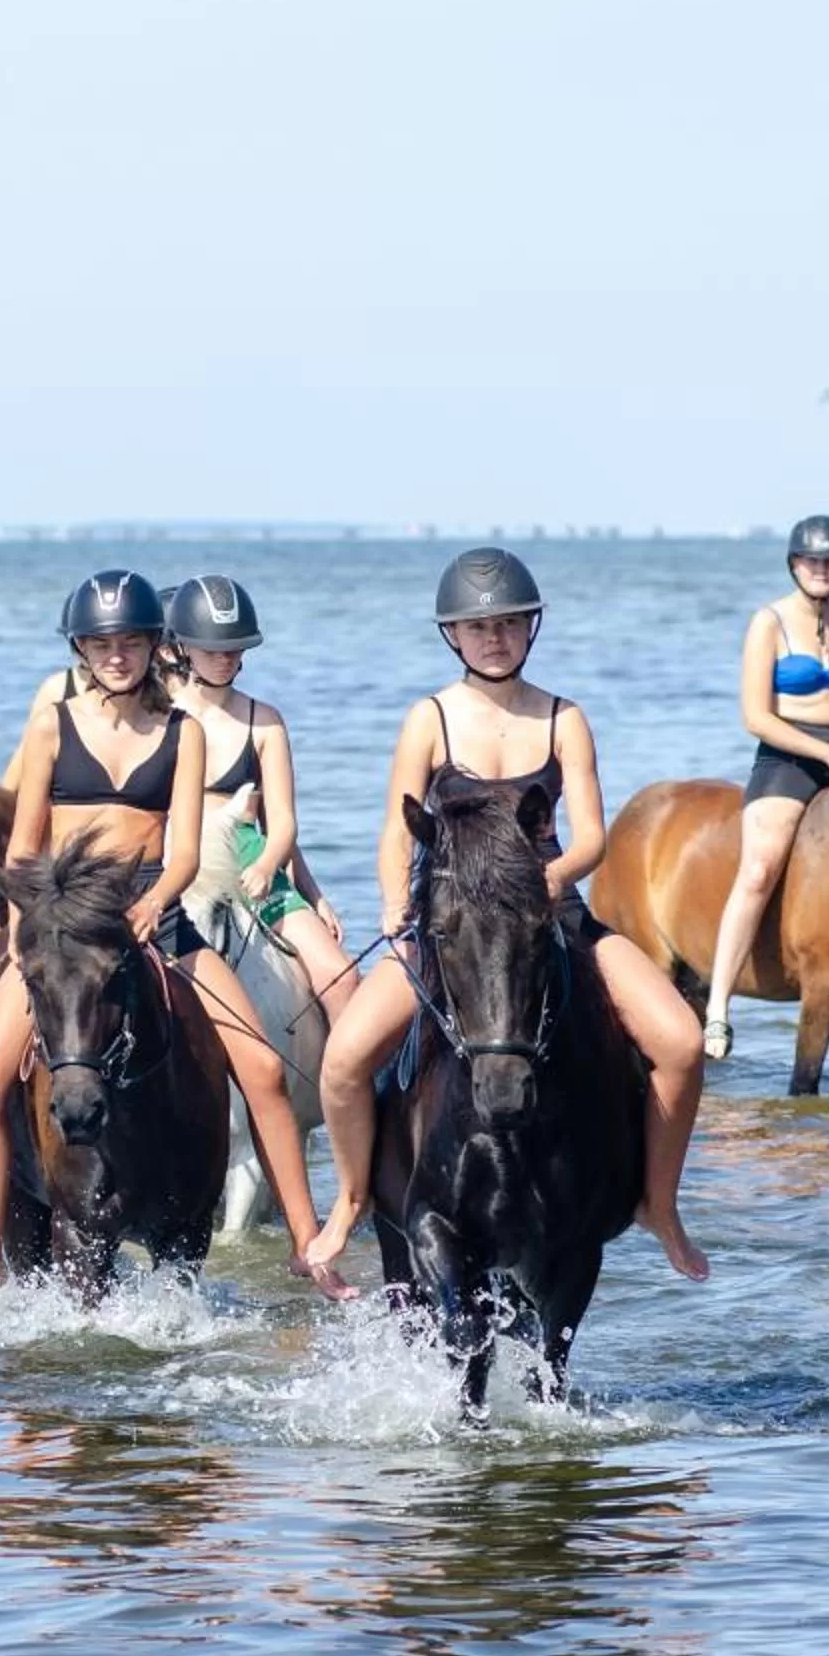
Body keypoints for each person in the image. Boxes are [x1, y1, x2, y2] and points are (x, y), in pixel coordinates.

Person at [0, 569, 349, 1318]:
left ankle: (306, 1244)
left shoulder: (182, 732)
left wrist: (153, 904)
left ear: (155, 646)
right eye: (102, 644)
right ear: (82, 649)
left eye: (130, 641)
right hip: (65, 922)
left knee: (262, 1068)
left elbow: (185, 850)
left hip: (154, 915)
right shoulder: (52, 724)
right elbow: (24, 846)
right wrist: (32, 929)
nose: (117, 655)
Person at [305, 548, 709, 1283]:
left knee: (681, 1041)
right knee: (343, 1061)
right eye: (478, 627)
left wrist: (543, 881)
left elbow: (591, 836)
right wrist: (395, 903)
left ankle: (660, 1204)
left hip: (550, 913)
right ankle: (352, 1198)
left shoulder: (564, 718)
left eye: (509, 624)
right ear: (453, 636)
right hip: (453, 924)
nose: (495, 638)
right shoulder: (429, 719)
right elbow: (397, 828)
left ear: (530, 629)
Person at [700, 514, 829, 1061]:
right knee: (759, 869)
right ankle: (718, 1006)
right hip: (787, 757)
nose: (822, 568)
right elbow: (756, 717)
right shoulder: (768, 622)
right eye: (812, 560)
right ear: (795, 564)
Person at [159, 572, 362, 1032]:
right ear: (182, 648)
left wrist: (273, 869)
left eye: (234, 649)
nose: (225, 659)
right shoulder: (158, 717)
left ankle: (346, 1077)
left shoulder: (264, 722)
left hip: (250, 862)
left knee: (341, 978)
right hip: (178, 860)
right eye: (212, 650)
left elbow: (283, 823)